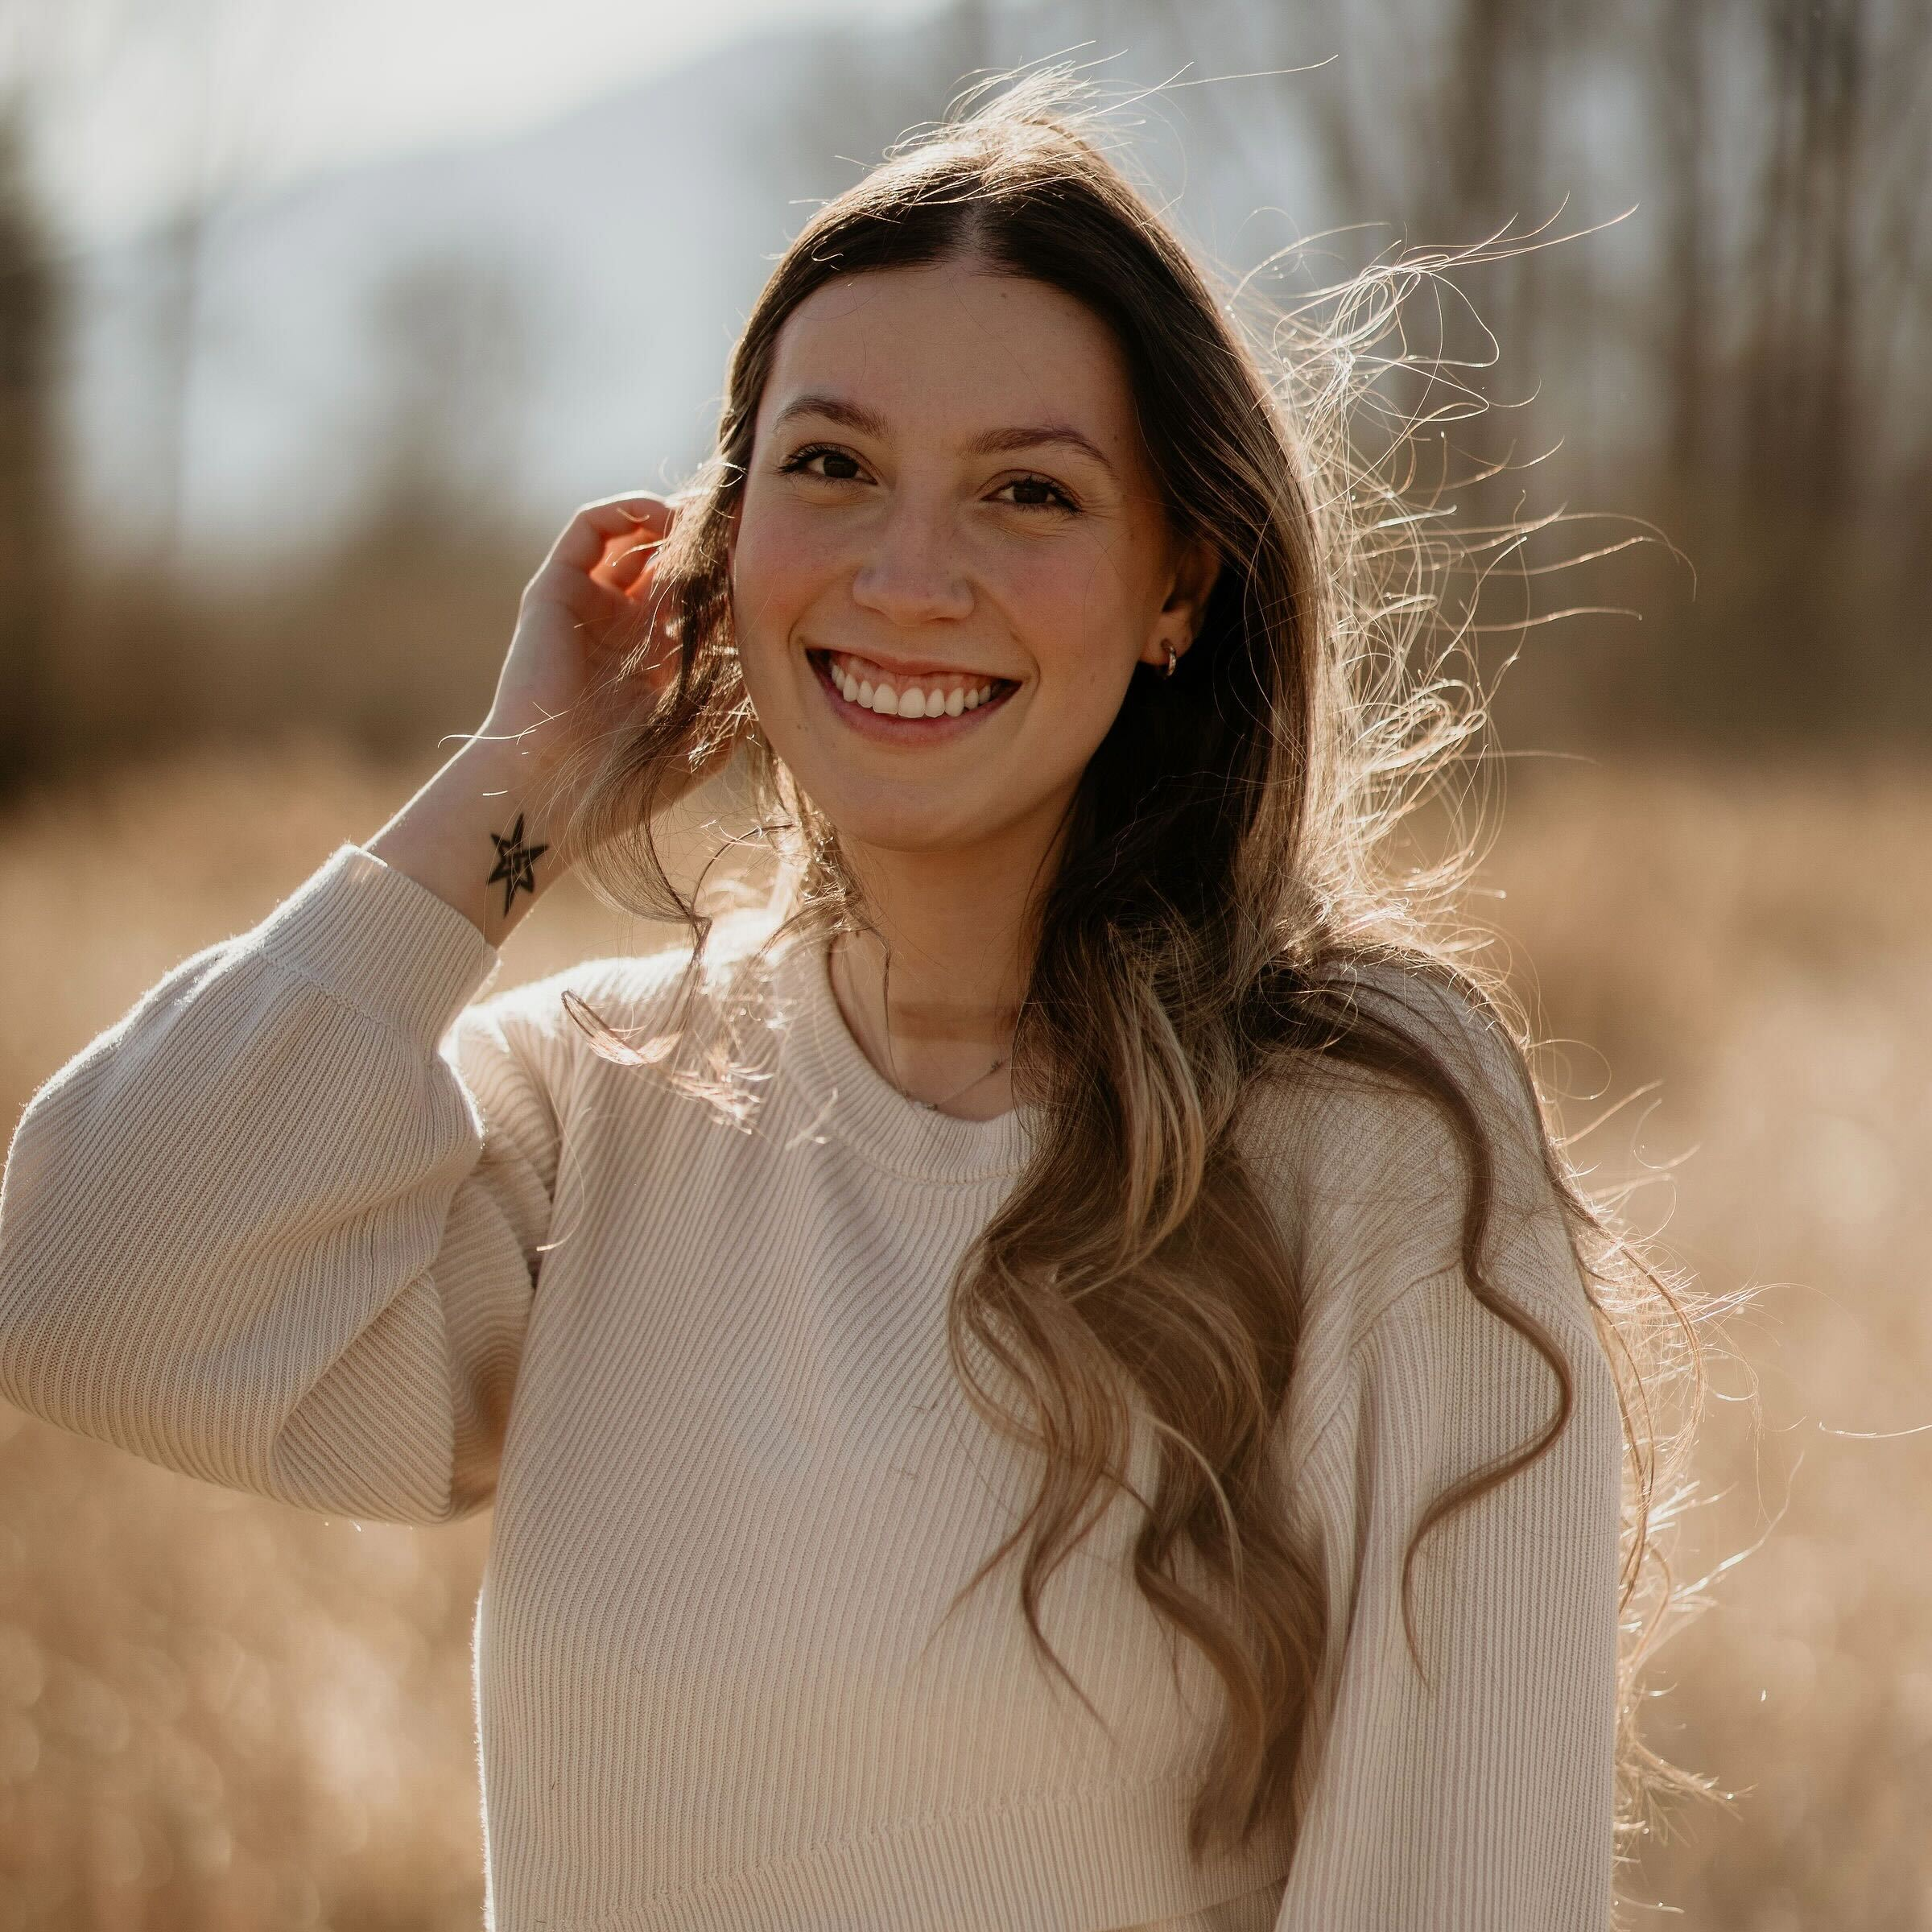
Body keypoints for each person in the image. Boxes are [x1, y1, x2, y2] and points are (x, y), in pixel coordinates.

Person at [0, 70, 1708, 1932]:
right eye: (830, 467)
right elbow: (82, 1288)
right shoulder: (602, 1106)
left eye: (1028, 492)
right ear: (720, 543)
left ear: (1178, 584)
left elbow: (1466, 1890)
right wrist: (520, 786)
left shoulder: (1370, 1140)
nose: (910, 577)